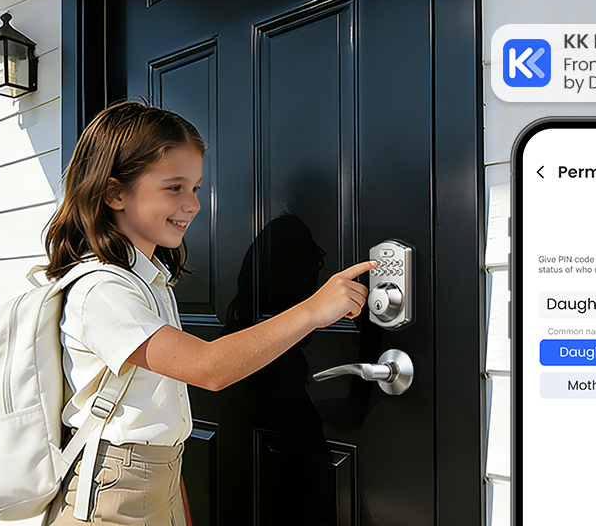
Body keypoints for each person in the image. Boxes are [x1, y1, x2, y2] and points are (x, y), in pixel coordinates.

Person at [41, 100, 376, 525]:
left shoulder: (148, 280)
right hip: (113, 490)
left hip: (154, 477)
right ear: (115, 193)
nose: (193, 204)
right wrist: (314, 309)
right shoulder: (104, 290)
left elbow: (158, 406)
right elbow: (208, 368)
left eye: (196, 188)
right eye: (174, 188)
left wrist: (174, 492)